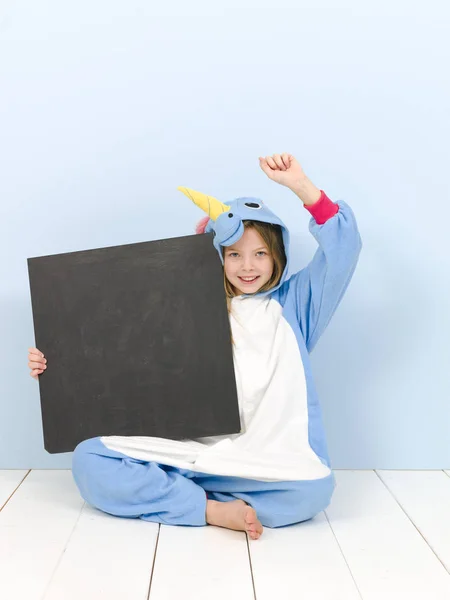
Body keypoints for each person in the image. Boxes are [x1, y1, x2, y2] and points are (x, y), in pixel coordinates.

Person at [27, 153, 362, 540]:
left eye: (260, 254)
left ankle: (184, 497)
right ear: (217, 256)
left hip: (265, 456)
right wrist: (58, 367)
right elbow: (119, 361)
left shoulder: (295, 305)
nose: (247, 266)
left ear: (278, 256)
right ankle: (212, 508)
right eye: (234, 254)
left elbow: (344, 251)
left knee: (315, 491)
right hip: (189, 450)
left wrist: (301, 187)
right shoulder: (184, 303)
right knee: (90, 460)